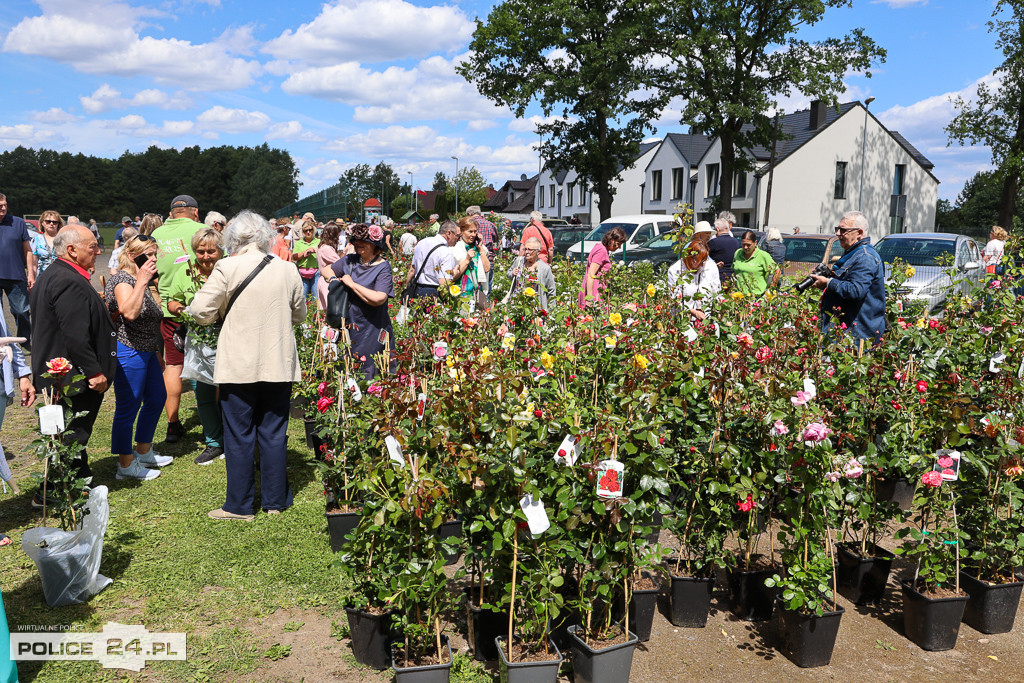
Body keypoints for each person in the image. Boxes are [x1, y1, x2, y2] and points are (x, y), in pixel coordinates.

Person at [190, 211, 306, 520]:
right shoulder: (288, 268)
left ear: (234, 239)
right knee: (273, 431)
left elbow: (200, 310)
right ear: (265, 237)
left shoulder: (226, 266)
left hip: (238, 363)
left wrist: (221, 313)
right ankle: (275, 501)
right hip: (277, 361)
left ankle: (240, 506)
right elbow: (299, 315)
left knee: (239, 434)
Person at [30, 224, 115, 505]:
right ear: (72, 250)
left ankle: (76, 480)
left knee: (65, 432)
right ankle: (57, 491)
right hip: (70, 377)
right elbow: (75, 335)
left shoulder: (55, 274)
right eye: (92, 246)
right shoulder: (67, 280)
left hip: (59, 373)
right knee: (71, 433)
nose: (98, 251)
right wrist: (94, 372)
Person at [105, 235, 172, 480]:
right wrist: (143, 280)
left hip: (147, 351)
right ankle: (125, 465)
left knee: (156, 398)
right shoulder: (123, 279)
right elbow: (130, 313)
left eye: (155, 253)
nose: (154, 259)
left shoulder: (140, 279)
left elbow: (151, 321)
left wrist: (156, 352)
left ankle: (143, 451)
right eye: (148, 254)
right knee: (128, 406)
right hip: (128, 350)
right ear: (133, 256)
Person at [166, 228, 226, 466]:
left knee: (230, 391)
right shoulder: (186, 272)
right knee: (203, 391)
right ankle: (213, 441)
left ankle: (232, 439)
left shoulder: (228, 270)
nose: (206, 256)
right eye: (200, 251)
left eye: (211, 251)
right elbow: (171, 301)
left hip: (227, 337)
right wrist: (183, 311)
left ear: (221, 251)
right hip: (199, 340)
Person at [152, 194, 203, 443]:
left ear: (171, 213)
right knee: (206, 365)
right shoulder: (201, 230)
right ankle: (210, 423)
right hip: (201, 308)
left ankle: (172, 425)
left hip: (168, 311)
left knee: (173, 365)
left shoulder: (157, 235)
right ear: (195, 212)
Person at [323, 223, 395, 379]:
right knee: (348, 362)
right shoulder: (350, 260)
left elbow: (379, 298)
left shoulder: (383, 267)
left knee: (370, 367)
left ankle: (370, 398)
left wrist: (352, 285)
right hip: (349, 322)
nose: (358, 245)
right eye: (355, 242)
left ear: (376, 245)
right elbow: (326, 269)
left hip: (372, 326)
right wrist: (335, 279)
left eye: (364, 243)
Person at [811, 210, 886, 342]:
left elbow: (855, 290)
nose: (837, 233)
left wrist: (828, 283)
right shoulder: (853, 253)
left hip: (857, 335)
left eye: (843, 230)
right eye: (838, 229)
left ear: (859, 233)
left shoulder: (865, 257)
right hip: (847, 331)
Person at [0, 193, 33, 343]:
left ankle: (25, 341)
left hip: (15, 274)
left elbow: (28, 250)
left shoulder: (18, 222)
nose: (4, 208)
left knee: (21, 311)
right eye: (0, 206)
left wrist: (31, 273)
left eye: (5, 204)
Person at [405, 221, 459, 298]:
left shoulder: (422, 242)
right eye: (458, 236)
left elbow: (412, 270)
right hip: (434, 293)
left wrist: (407, 287)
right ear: (449, 233)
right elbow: (444, 283)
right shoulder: (446, 252)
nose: (458, 239)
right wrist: (455, 274)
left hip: (417, 289)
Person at [668, 240, 720, 321]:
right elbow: (674, 299)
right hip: (683, 319)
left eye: (704, 261)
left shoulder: (710, 267)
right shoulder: (676, 270)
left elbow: (716, 291)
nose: (702, 265)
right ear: (690, 258)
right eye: (699, 261)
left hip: (706, 318)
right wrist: (693, 312)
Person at [579, 227, 626, 308]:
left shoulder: (601, 248)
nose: (619, 247)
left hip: (595, 291)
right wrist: (589, 299)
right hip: (594, 292)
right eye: (618, 244)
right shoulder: (602, 251)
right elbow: (590, 274)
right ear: (611, 240)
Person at [450, 216, 491, 306]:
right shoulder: (456, 249)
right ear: (462, 232)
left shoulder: (479, 248)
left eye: (475, 231)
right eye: (470, 232)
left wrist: (480, 249)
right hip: (462, 292)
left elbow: (487, 268)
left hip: (478, 292)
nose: (473, 235)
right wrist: (467, 259)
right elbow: (453, 276)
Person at [508, 236, 556, 309]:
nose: (527, 252)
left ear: (538, 252)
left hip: (535, 306)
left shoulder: (545, 268)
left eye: (530, 250)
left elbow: (551, 290)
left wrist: (550, 310)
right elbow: (509, 273)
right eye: (525, 249)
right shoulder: (519, 261)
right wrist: (512, 273)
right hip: (517, 304)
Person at [732, 230, 779, 296]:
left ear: (755, 243)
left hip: (757, 297)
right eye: (743, 244)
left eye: (748, 245)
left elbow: (777, 270)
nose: (745, 247)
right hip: (739, 296)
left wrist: (771, 289)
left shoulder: (763, 255)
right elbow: (734, 271)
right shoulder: (738, 253)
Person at [316, 223, 343, 310]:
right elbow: (340, 263)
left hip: (323, 280)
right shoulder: (326, 248)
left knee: (327, 311)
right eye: (337, 235)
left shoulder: (321, 246)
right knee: (332, 311)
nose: (338, 238)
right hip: (328, 281)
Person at [292, 220, 321, 298]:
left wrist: (313, 249)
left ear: (313, 230)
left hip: (316, 272)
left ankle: (315, 310)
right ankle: (306, 310)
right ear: (303, 232)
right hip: (302, 272)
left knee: (316, 296)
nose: (308, 232)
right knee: (303, 297)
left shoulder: (319, 242)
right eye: (306, 230)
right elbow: (294, 257)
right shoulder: (299, 243)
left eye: (310, 230)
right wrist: (305, 252)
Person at [707, 218, 740, 285]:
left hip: (719, 274)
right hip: (733, 275)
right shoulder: (735, 241)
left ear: (718, 229)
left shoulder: (713, 242)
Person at [31, 210, 63, 277]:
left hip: (60, 276)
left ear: (58, 224)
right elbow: (33, 263)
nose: (51, 224)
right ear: (42, 223)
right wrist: (32, 277)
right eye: (48, 221)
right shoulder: (36, 240)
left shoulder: (63, 239)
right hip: (42, 277)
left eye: (55, 222)